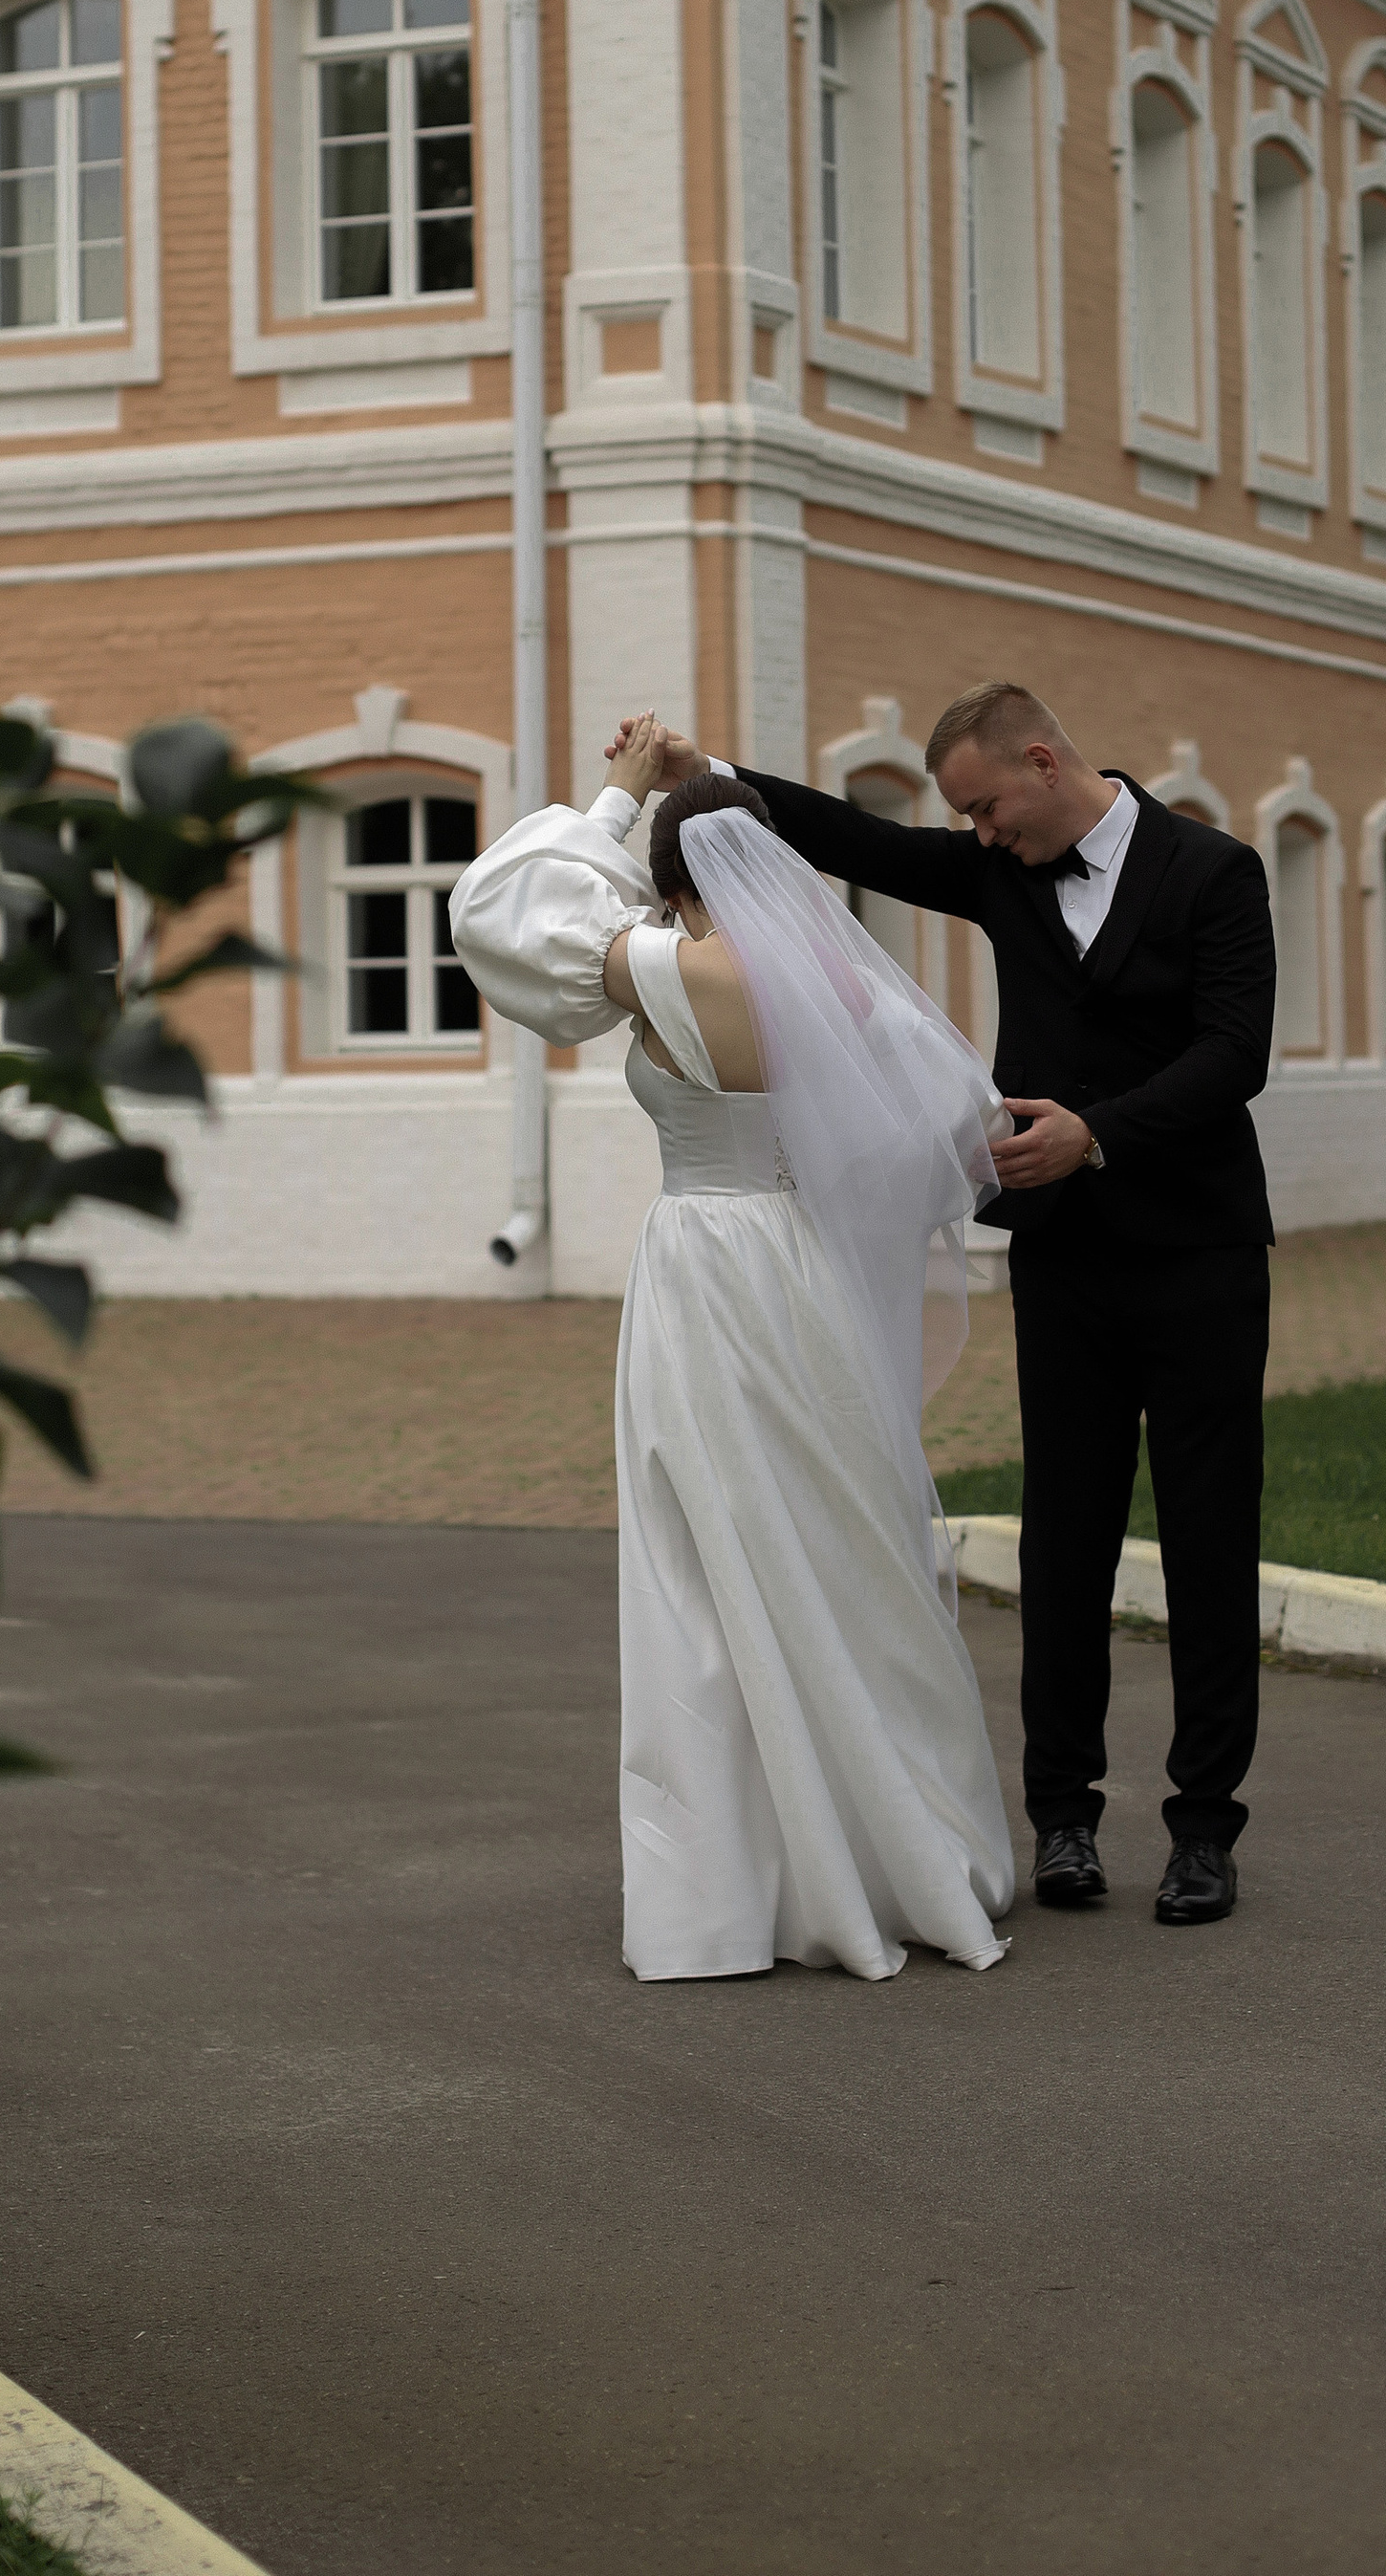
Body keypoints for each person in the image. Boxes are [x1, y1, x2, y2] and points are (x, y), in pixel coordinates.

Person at [625, 686, 1276, 1929]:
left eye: (984, 805)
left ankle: (1204, 1829)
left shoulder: (1216, 873)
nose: (975, 834)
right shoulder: (1003, 872)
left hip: (1202, 1253)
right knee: (1063, 1534)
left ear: (1042, 762)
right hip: (1065, 1258)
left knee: (1206, 1535)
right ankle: (1066, 1821)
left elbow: (1233, 1053)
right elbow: (859, 843)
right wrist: (698, 776)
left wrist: (1099, 1134)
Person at [445, 714, 1016, 1983]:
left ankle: (734, 1882)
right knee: (837, 1538)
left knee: (702, 1555)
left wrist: (614, 792)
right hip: (804, 1269)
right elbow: (945, 1129)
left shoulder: (655, 963)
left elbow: (502, 914)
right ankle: (906, 1851)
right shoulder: (848, 985)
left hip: (705, 1271)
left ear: (667, 879)